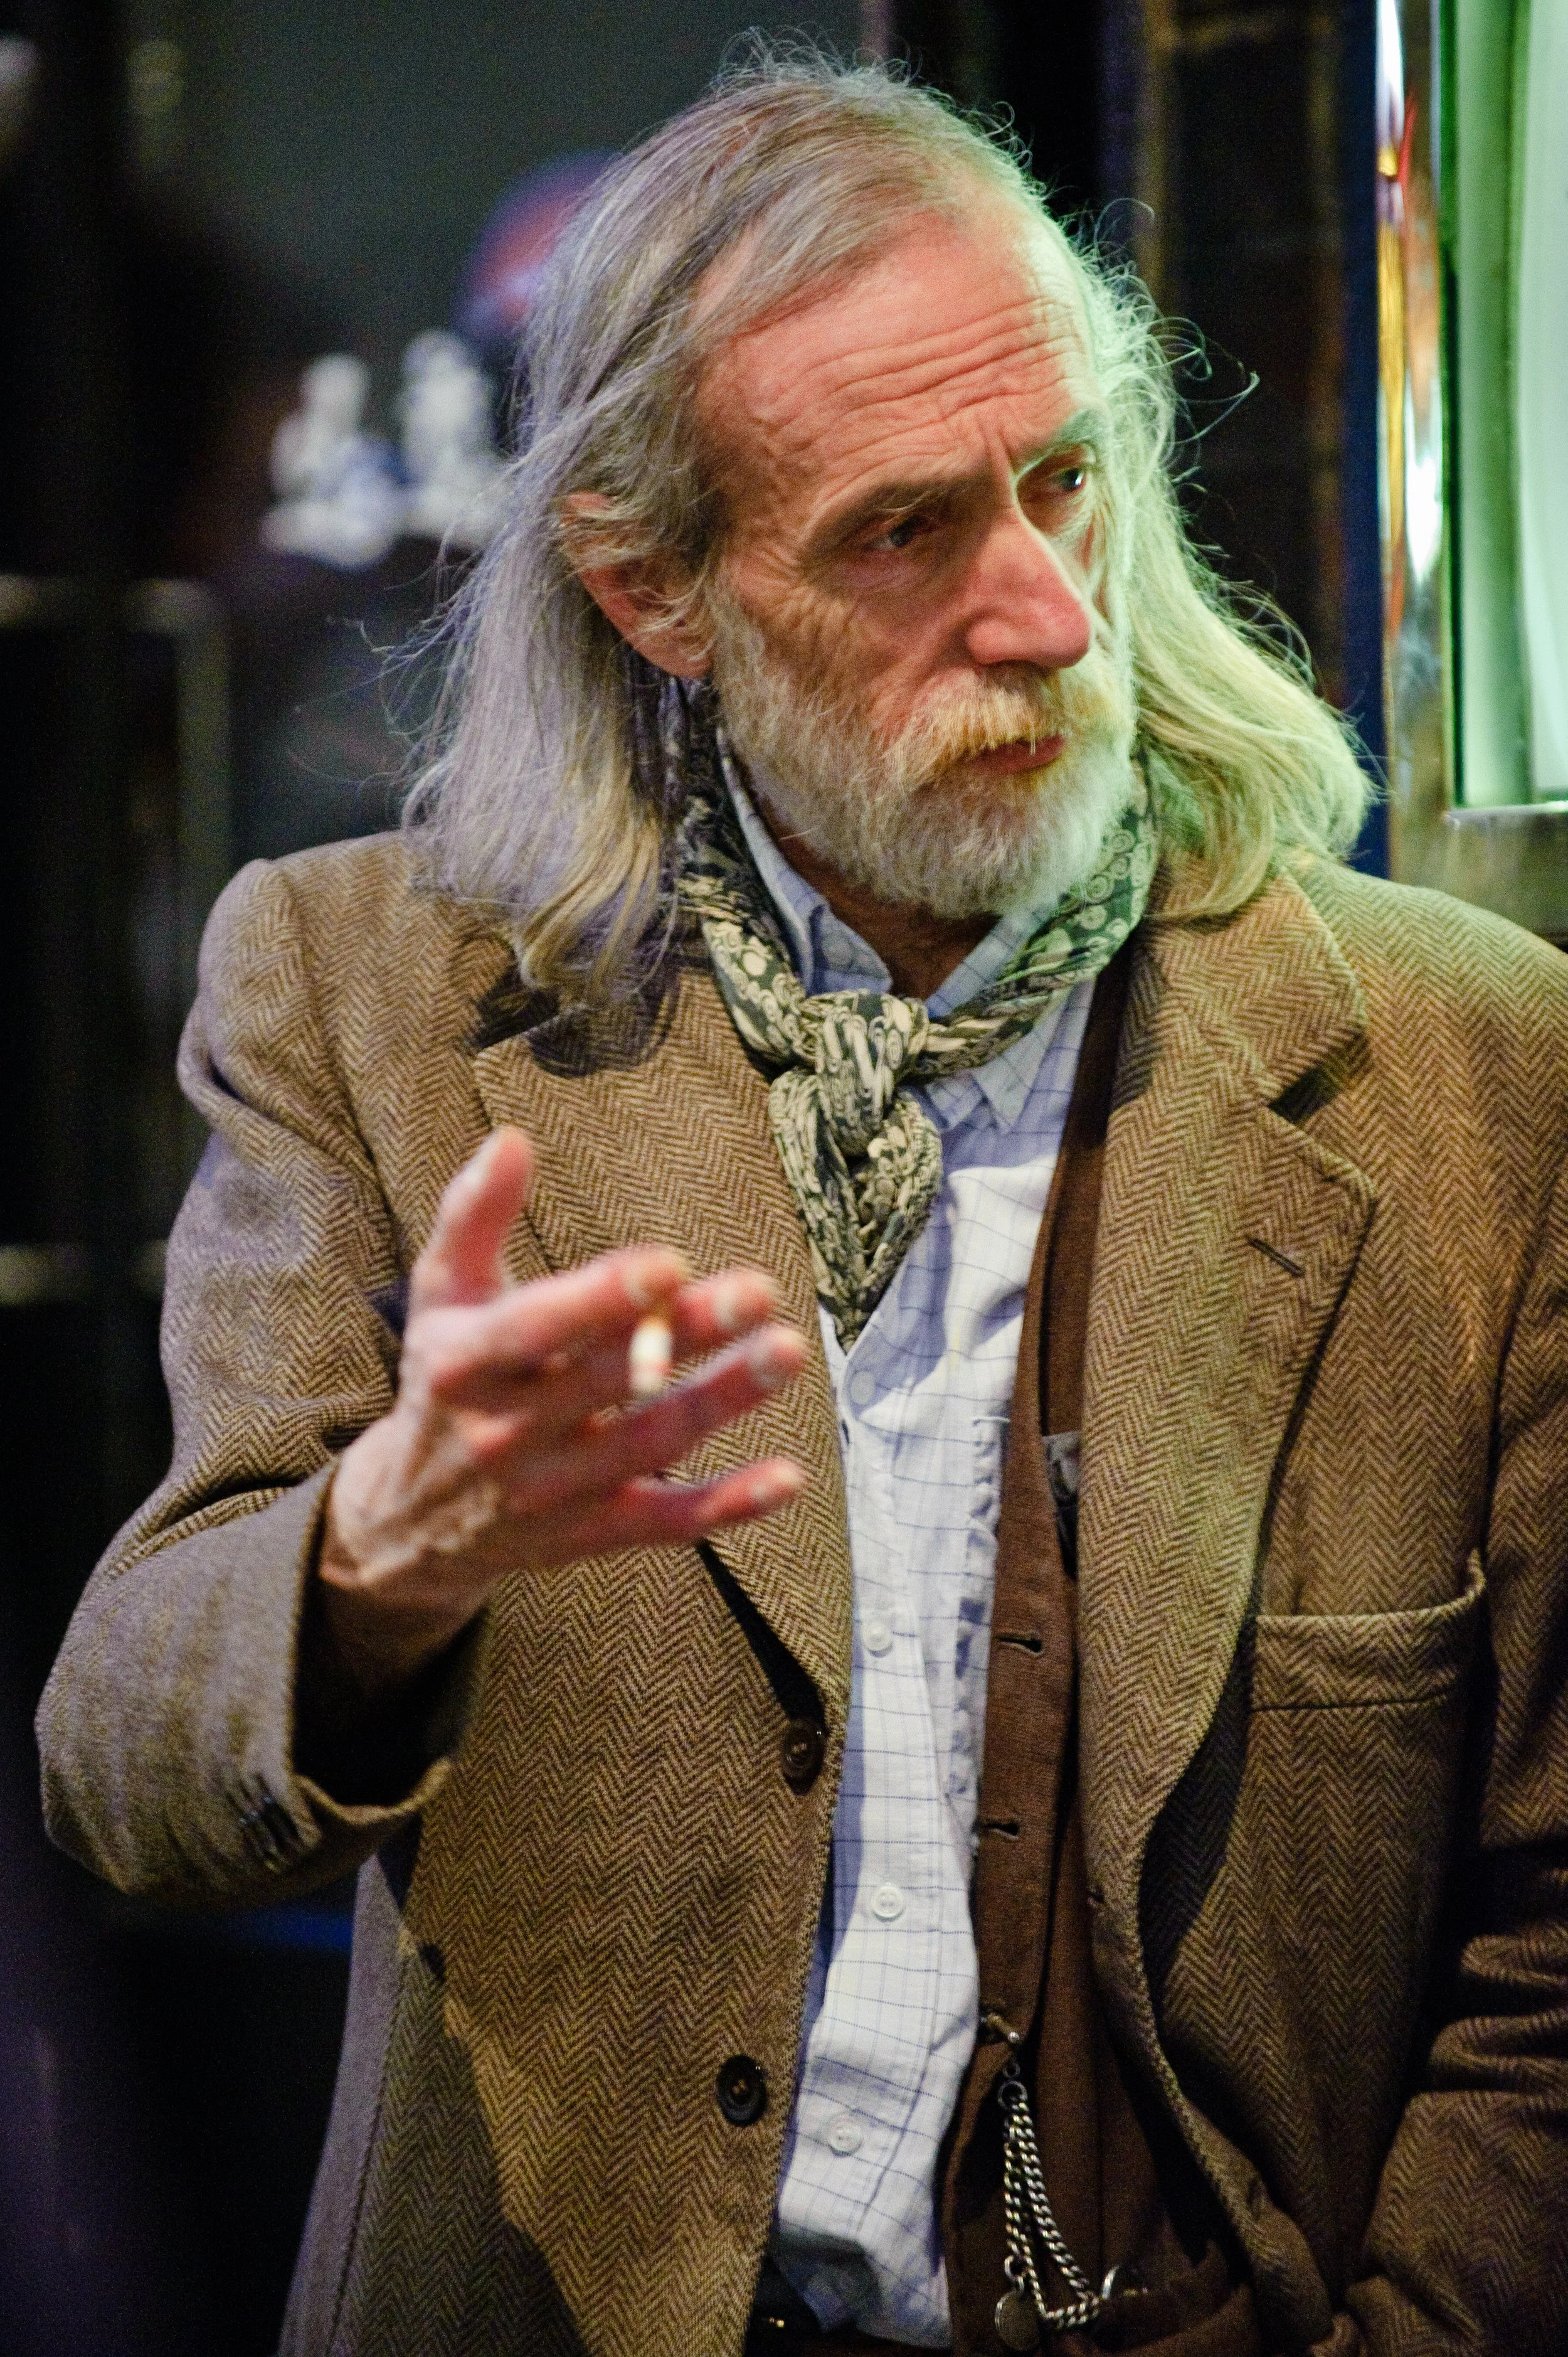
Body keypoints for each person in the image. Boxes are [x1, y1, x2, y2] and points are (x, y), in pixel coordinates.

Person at [36, 54, 1568, 2357]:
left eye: (1065, 482)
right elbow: (123, 1774)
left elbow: (1547, 1941)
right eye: (900, 532)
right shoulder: (365, 991)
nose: (1049, 614)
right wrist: (381, 1556)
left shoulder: (1477, 1073)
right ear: (655, 588)